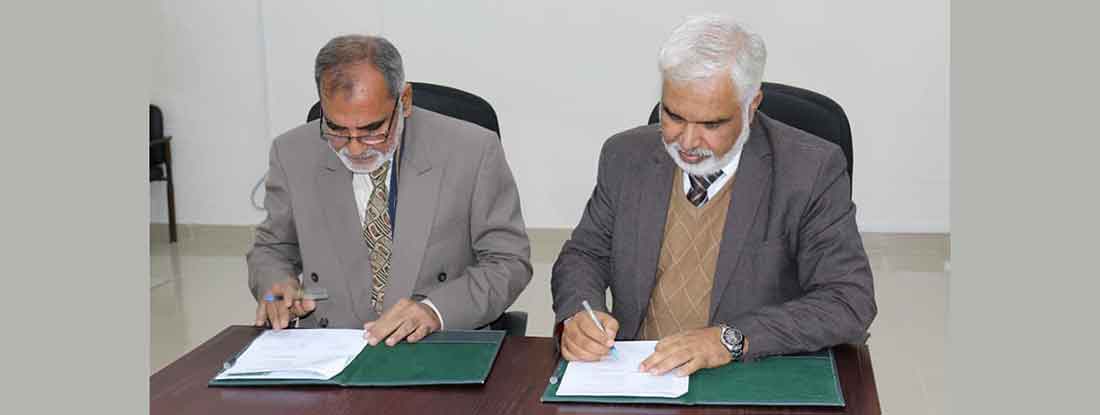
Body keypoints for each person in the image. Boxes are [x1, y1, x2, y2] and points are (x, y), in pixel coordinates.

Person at [551, 14, 876, 376]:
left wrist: (728, 340)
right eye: (674, 116)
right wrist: (579, 314)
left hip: (748, 376)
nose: (687, 142)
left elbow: (848, 299)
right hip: (639, 375)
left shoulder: (810, 170)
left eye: (711, 124)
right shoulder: (625, 156)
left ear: (751, 106)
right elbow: (585, 254)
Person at [247, 34, 532, 347]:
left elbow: (508, 261)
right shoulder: (292, 152)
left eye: (372, 130)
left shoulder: (472, 150)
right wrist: (274, 287)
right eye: (337, 130)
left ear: (404, 101)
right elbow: (271, 249)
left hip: (436, 342)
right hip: (332, 345)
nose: (355, 148)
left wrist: (435, 311)